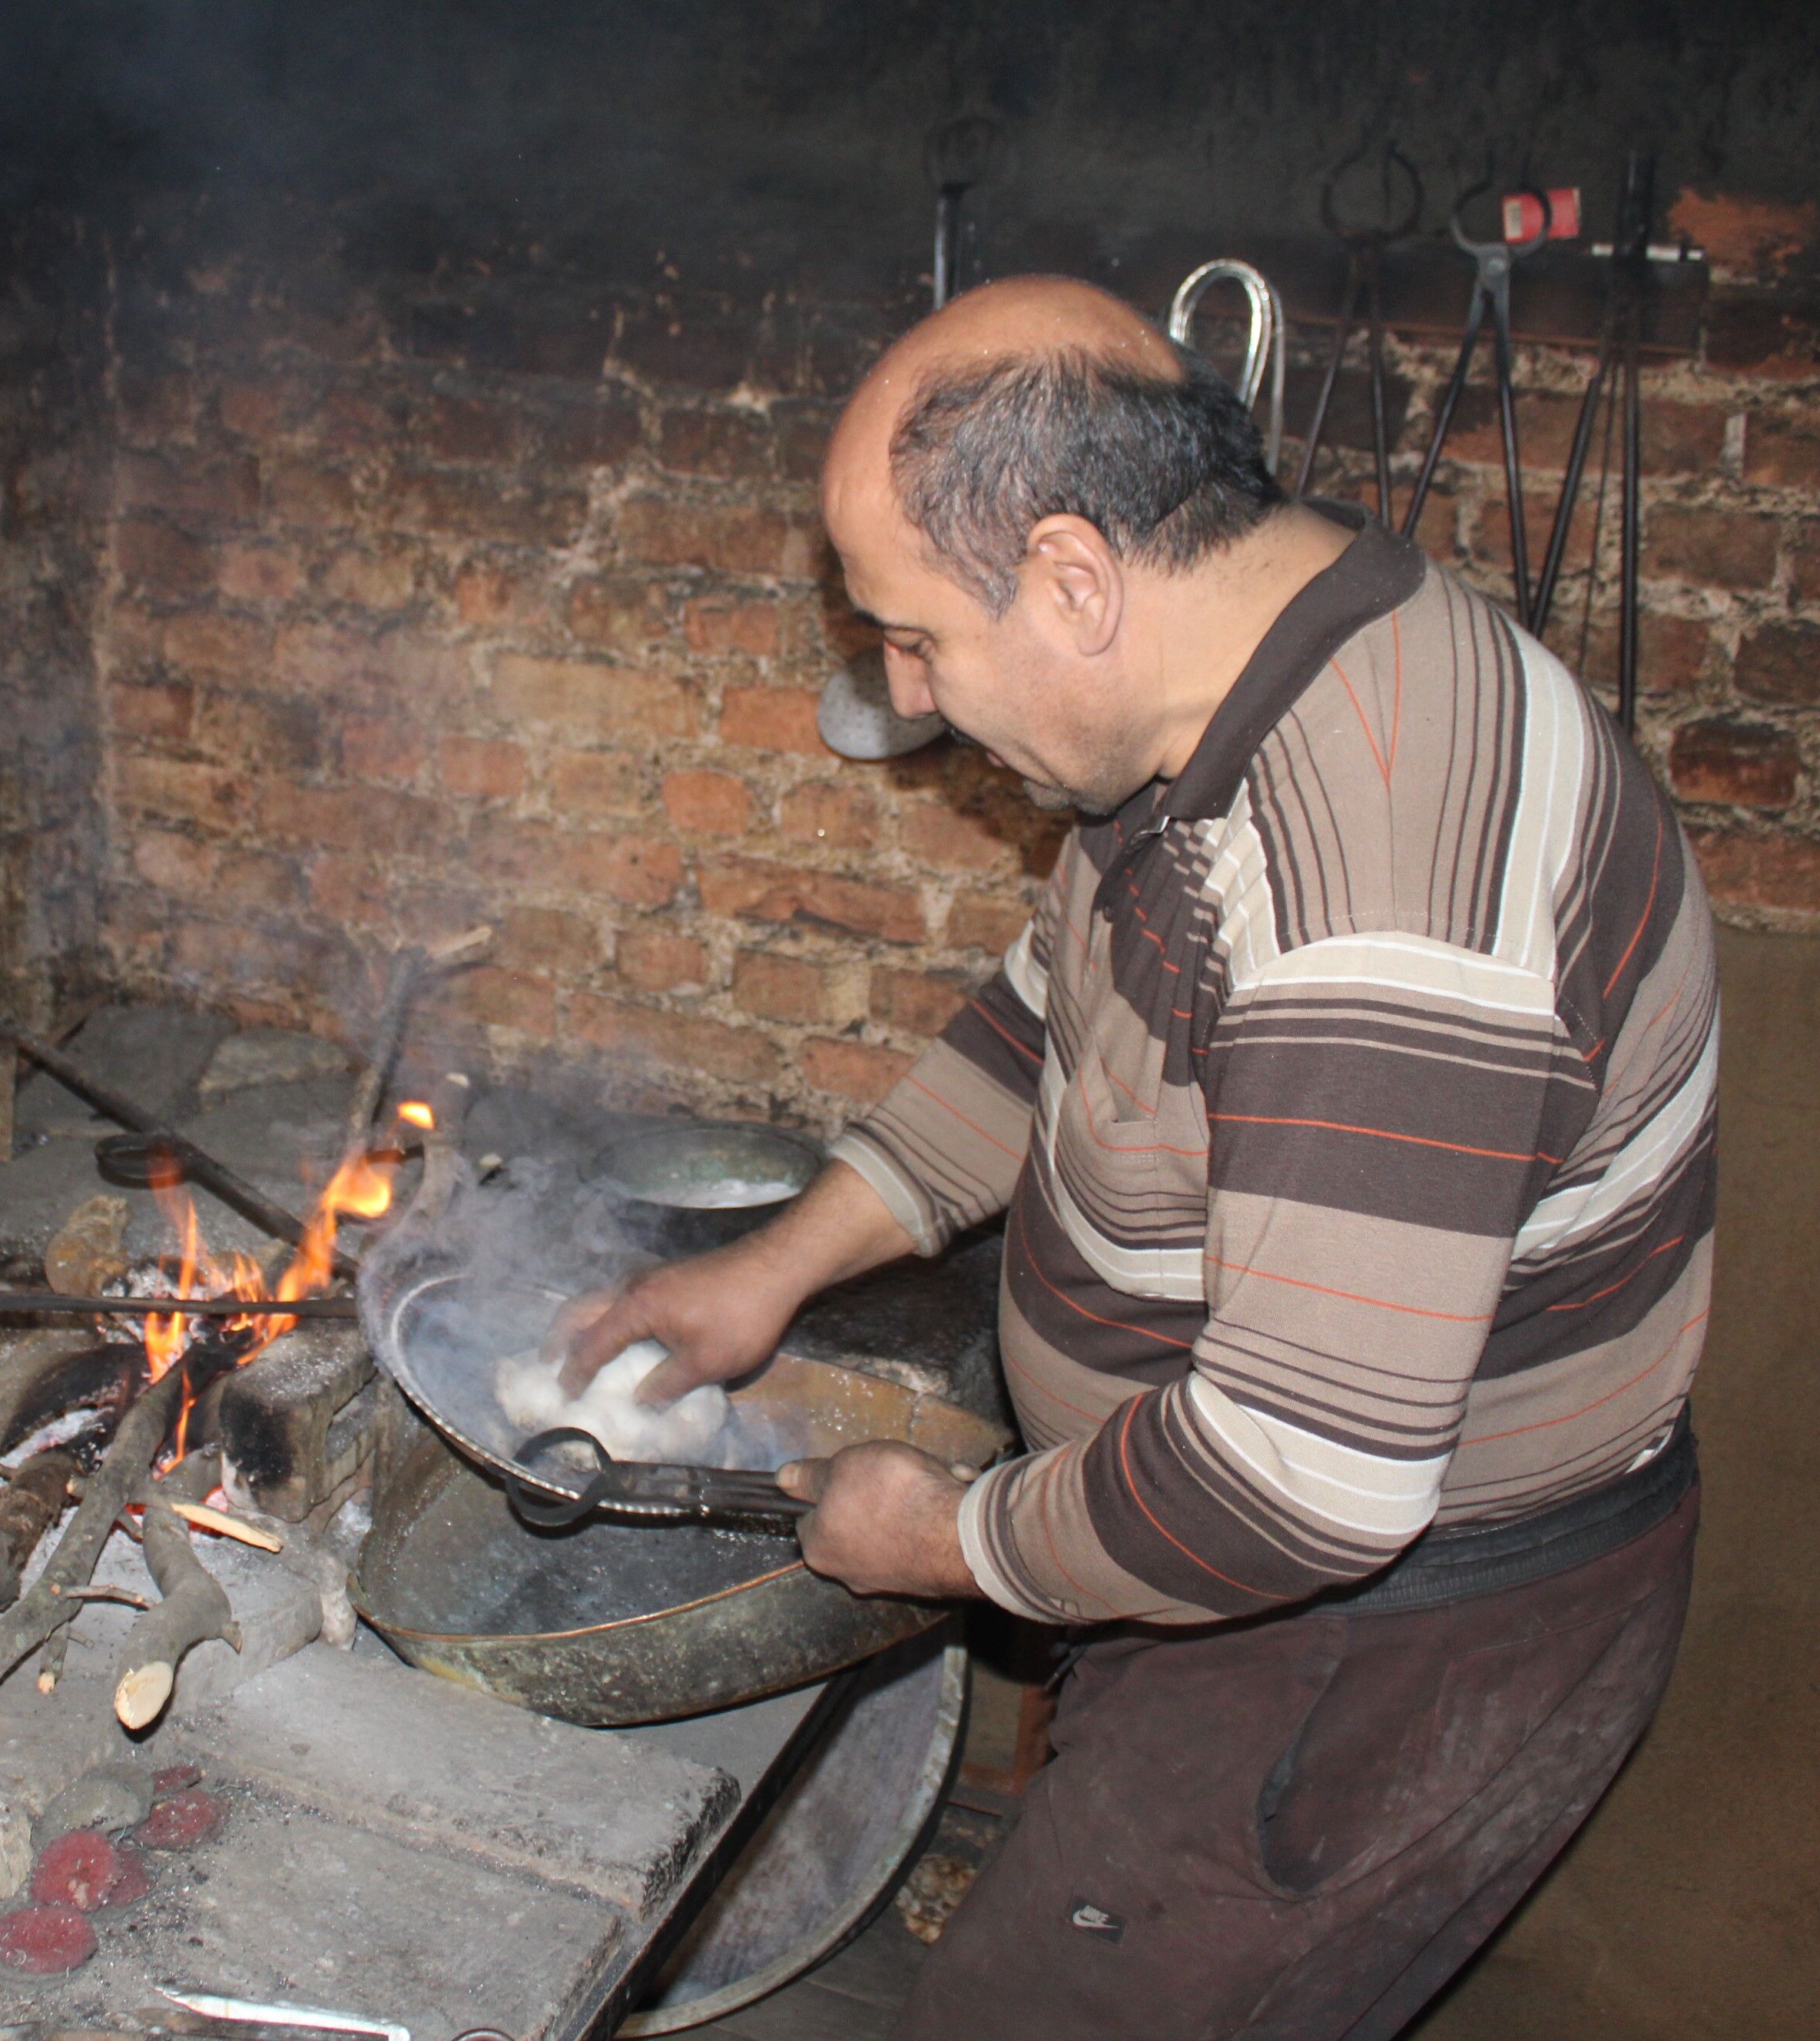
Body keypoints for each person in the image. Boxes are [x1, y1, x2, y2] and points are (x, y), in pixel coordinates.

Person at [551, 276, 1716, 2039]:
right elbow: (1049, 1022)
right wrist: (770, 1268)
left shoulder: (1372, 897)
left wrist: (947, 1535)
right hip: (1228, 1558)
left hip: (1362, 1643)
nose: (905, 689)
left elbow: (1301, 1479)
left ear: (1076, 580)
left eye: (916, 636)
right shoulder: (1224, 683)